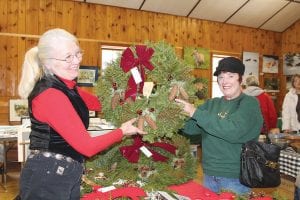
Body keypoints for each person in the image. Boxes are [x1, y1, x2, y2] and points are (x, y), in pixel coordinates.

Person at [17, 28, 146, 200]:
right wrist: (122, 131)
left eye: (78, 53)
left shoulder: (68, 87)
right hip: (48, 178)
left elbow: (101, 103)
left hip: (64, 173)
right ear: (47, 62)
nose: (76, 61)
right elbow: (88, 147)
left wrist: (133, 94)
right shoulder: (50, 95)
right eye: (67, 57)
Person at [176, 57, 263, 195]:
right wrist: (176, 114)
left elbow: (234, 131)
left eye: (230, 76)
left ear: (240, 79)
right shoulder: (212, 104)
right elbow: (191, 130)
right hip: (208, 174)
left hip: (235, 178)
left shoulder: (249, 103)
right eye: (221, 77)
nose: (225, 81)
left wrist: (195, 112)